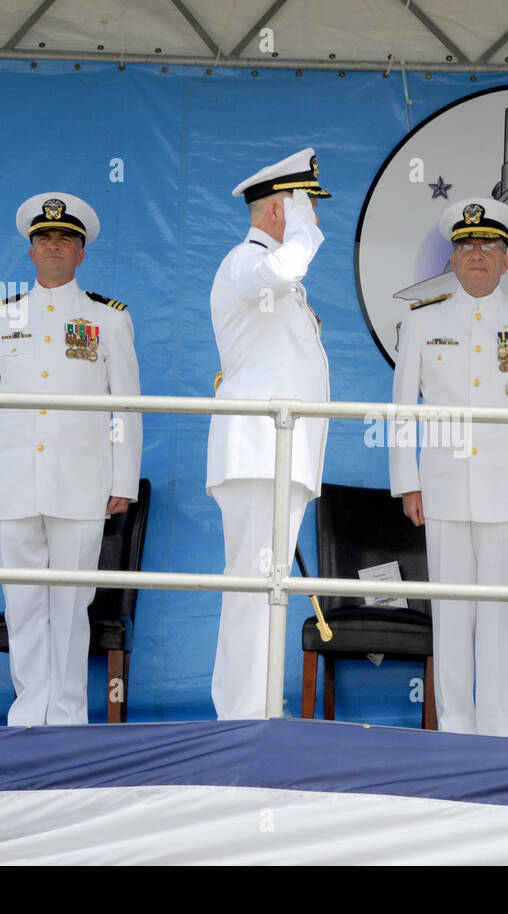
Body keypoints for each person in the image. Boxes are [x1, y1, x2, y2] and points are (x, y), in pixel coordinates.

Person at [0, 191, 143, 725]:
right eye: (44, 238)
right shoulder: (0, 318)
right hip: (13, 480)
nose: (54, 246)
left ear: (82, 253)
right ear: (30, 251)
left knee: (70, 603)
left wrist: (123, 479)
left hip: (82, 482)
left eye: (65, 238)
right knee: (22, 603)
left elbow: (126, 408)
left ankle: (65, 715)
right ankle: (27, 712)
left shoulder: (107, 320)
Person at [390, 197, 508, 737]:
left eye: (488, 245)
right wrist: (406, 483)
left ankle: (496, 731)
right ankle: (454, 731)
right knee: (450, 618)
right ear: (453, 255)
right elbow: (401, 411)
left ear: (506, 259)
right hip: (441, 489)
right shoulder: (422, 321)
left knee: (499, 621)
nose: (476, 255)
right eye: (466, 245)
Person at [207, 148, 331, 720]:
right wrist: (304, 231)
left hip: (281, 457)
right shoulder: (247, 261)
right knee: (255, 586)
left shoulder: (272, 278)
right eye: (308, 209)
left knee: (266, 586)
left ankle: (256, 710)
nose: (316, 224)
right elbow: (285, 270)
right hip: (260, 454)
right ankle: (243, 715)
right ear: (282, 210)